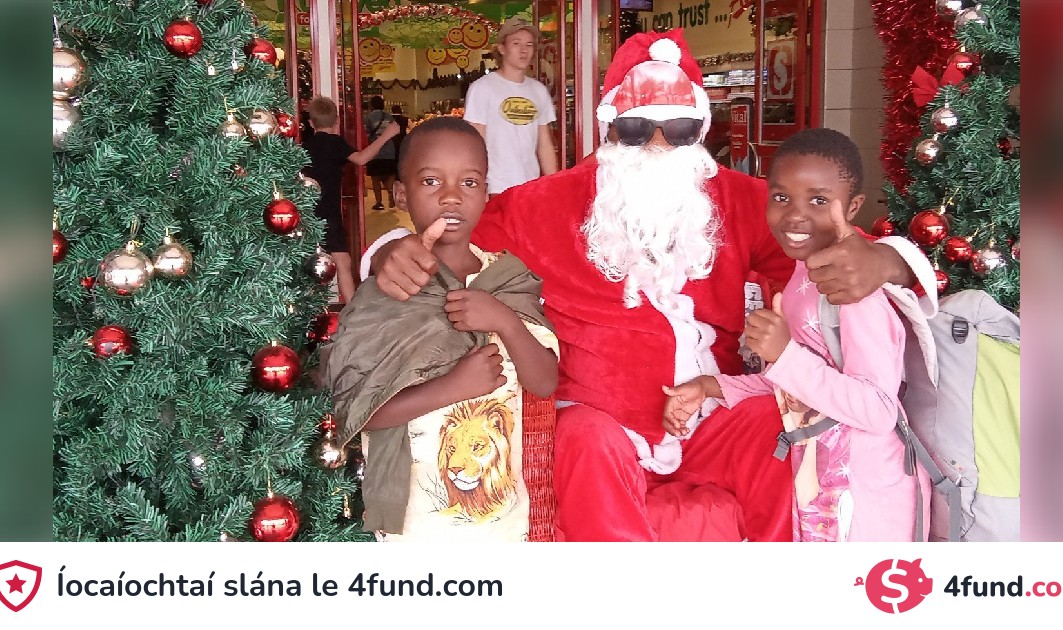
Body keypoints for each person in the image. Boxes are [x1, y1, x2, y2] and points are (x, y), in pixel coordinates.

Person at [362, 30, 937, 542]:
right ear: (610, 128)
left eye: (679, 129)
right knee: (583, 439)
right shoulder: (548, 203)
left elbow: (830, 236)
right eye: (637, 129)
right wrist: (388, 249)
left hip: (711, 414)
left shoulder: (740, 199)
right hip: (604, 421)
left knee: (773, 425)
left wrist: (891, 260)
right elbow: (455, 225)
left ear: (700, 130)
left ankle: (776, 590)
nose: (659, 144)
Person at [662, 128, 931, 541]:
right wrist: (712, 386)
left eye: (818, 200)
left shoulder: (851, 291)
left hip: (867, 500)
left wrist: (785, 353)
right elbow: (797, 386)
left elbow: (878, 410)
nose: (794, 215)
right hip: (823, 487)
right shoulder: (801, 277)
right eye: (781, 197)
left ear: (853, 206)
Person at [323, 117, 559, 541]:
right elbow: (357, 412)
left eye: (469, 182)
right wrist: (453, 387)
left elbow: (544, 381)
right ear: (401, 194)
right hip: (417, 527)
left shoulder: (507, 279)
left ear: (486, 193)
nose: (451, 196)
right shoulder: (387, 291)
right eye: (431, 181)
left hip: (503, 523)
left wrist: (504, 320)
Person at [302, 96, 399, 303]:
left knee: (311, 263)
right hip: (329, 214)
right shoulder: (335, 143)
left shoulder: (305, 146)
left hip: (307, 213)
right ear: (337, 121)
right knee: (343, 263)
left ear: (311, 123)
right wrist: (387, 135)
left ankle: (311, 310)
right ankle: (352, 311)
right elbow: (362, 158)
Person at [463, 17, 558, 196]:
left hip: (531, 187)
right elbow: (475, 142)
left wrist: (555, 186)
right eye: (516, 43)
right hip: (496, 188)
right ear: (501, 48)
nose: (524, 50)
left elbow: (544, 144)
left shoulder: (538, 90)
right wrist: (478, 188)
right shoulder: (483, 87)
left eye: (529, 45)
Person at [363, 96, 397, 210]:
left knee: (376, 178)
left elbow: (366, 134)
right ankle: (391, 192)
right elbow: (395, 131)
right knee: (389, 174)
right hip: (390, 150)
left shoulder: (369, 117)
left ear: (372, 105)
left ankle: (379, 202)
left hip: (375, 150)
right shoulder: (389, 117)